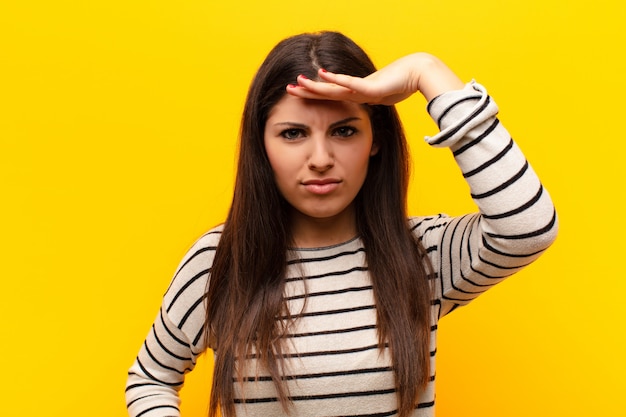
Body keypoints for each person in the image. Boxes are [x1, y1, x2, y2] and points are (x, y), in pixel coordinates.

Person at [125, 31, 558, 417]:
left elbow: (528, 227)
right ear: (262, 146)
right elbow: (150, 380)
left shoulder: (422, 255)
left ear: (376, 140)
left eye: (345, 131)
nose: (320, 159)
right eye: (293, 133)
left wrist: (427, 71)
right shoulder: (220, 262)